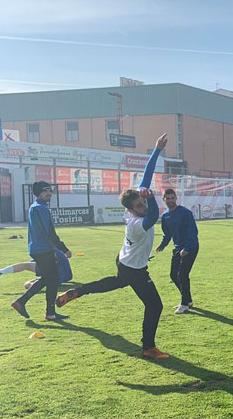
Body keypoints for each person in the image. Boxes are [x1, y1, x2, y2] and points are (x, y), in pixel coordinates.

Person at [56, 134, 169, 360]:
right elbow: (154, 215)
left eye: (143, 202)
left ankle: (79, 291)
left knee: (115, 282)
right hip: (135, 268)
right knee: (155, 305)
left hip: (124, 260)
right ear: (131, 209)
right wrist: (153, 198)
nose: (143, 206)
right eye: (139, 205)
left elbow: (146, 175)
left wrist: (156, 150)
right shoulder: (137, 224)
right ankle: (148, 348)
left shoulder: (134, 207)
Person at [11, 181, 72, 321]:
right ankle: (49, 313)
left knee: (48, 279)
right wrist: (63, 248)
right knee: (52, 279)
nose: (49, 193)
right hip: (43, 249)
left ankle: (22, 303)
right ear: (38, 192)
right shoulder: (41, 208)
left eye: (50, 191)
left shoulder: (37, 207)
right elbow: (49, 231)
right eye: (46, 191)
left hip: (39, 248)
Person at [155, 188, 199, 314]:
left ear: (176, 198)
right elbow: (167, 234)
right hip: (178, 248)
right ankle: (188, 299)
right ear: (164, 200)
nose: (170, 201)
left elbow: (193, 232)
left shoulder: (185, 213)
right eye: (167, 199)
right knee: (174, 275)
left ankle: (184, 303)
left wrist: (186, 248)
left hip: (191, 247)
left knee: (182, 274)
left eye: (172, 198)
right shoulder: (165, 216)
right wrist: (162, 245)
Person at [0, 248, 72, 289]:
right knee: (28, 282)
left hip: (56, 273)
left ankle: (1, 271)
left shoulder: (46, 248)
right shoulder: (52, 247)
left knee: (26, 266)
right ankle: (1, 271)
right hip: (63, 275)